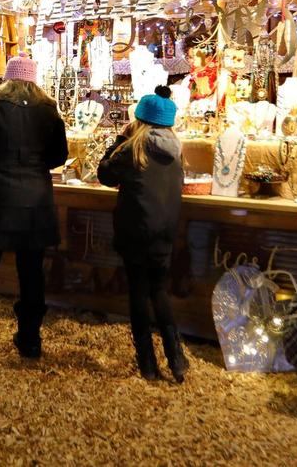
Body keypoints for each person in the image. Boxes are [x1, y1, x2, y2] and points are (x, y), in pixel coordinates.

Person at [0, 55, 68, 364]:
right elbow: (59, 155)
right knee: (31, 273)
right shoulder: (49, 109)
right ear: (33, 79)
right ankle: (30, 341)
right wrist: (33, 170)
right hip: (36, 201)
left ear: (7, 78)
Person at [96, 86, 188, 382]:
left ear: (140, 120)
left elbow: (104, 175)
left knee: (138, 292)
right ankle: (176, 359)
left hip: (135, 230)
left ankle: (147, 362)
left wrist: (120, 139)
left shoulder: (133, 149)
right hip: (165, 232)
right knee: (158, 289)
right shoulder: (177, 152)